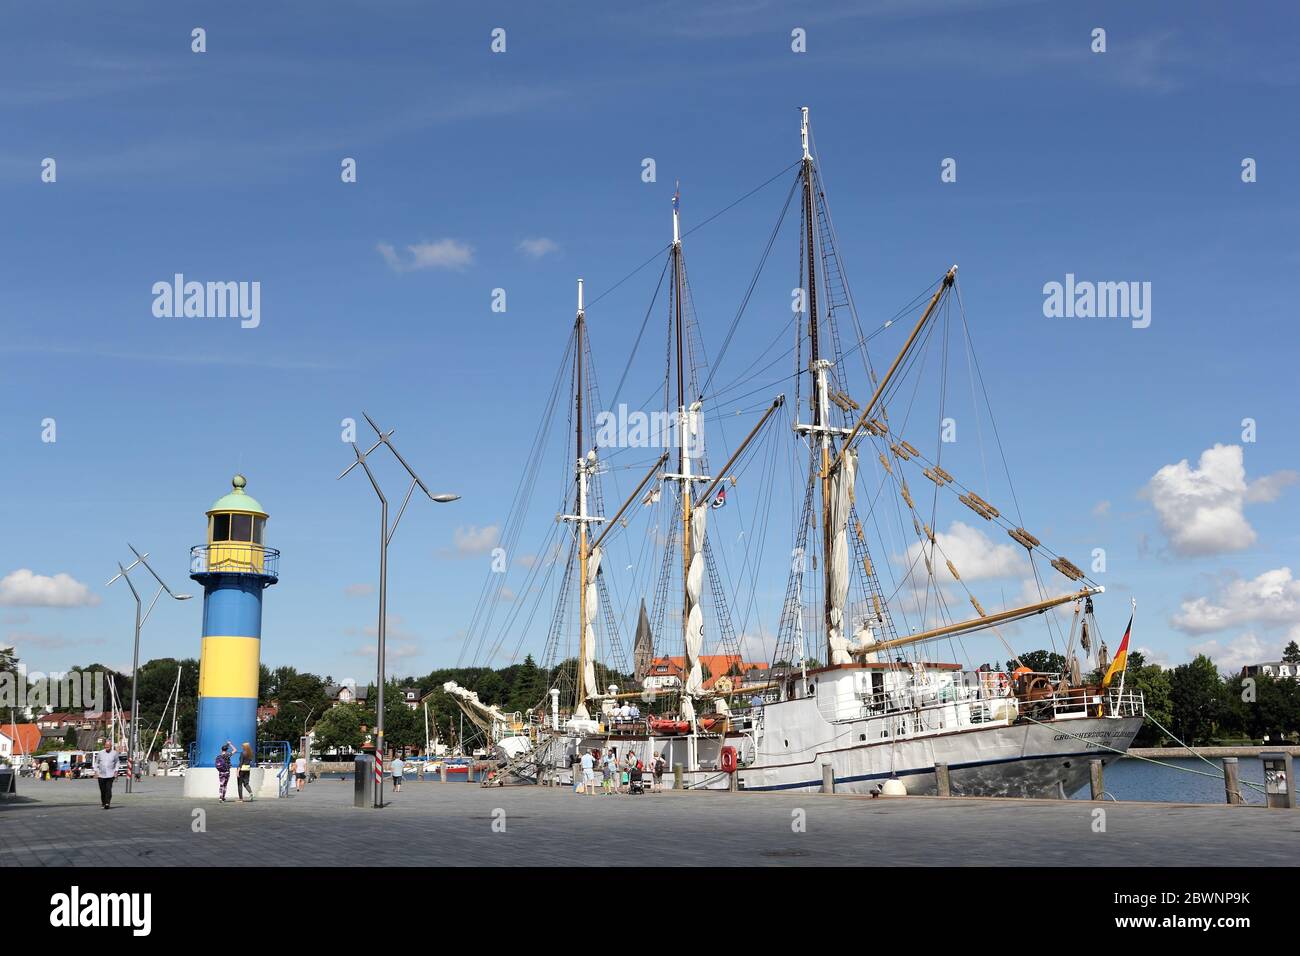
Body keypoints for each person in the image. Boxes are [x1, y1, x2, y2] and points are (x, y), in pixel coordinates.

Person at [93, 741, 120, 809]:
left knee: (108, 789)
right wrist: (96, 771)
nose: (107, 748)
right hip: (101, 775)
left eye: (108, 746)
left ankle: (107, 803)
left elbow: (117, 762)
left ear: (111, 746)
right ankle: (103, 802)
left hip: (110, 774)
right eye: (106, 746)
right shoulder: (100, 753)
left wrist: (116, 771)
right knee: (103, 790)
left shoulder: (114, 753)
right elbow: (96, 763)